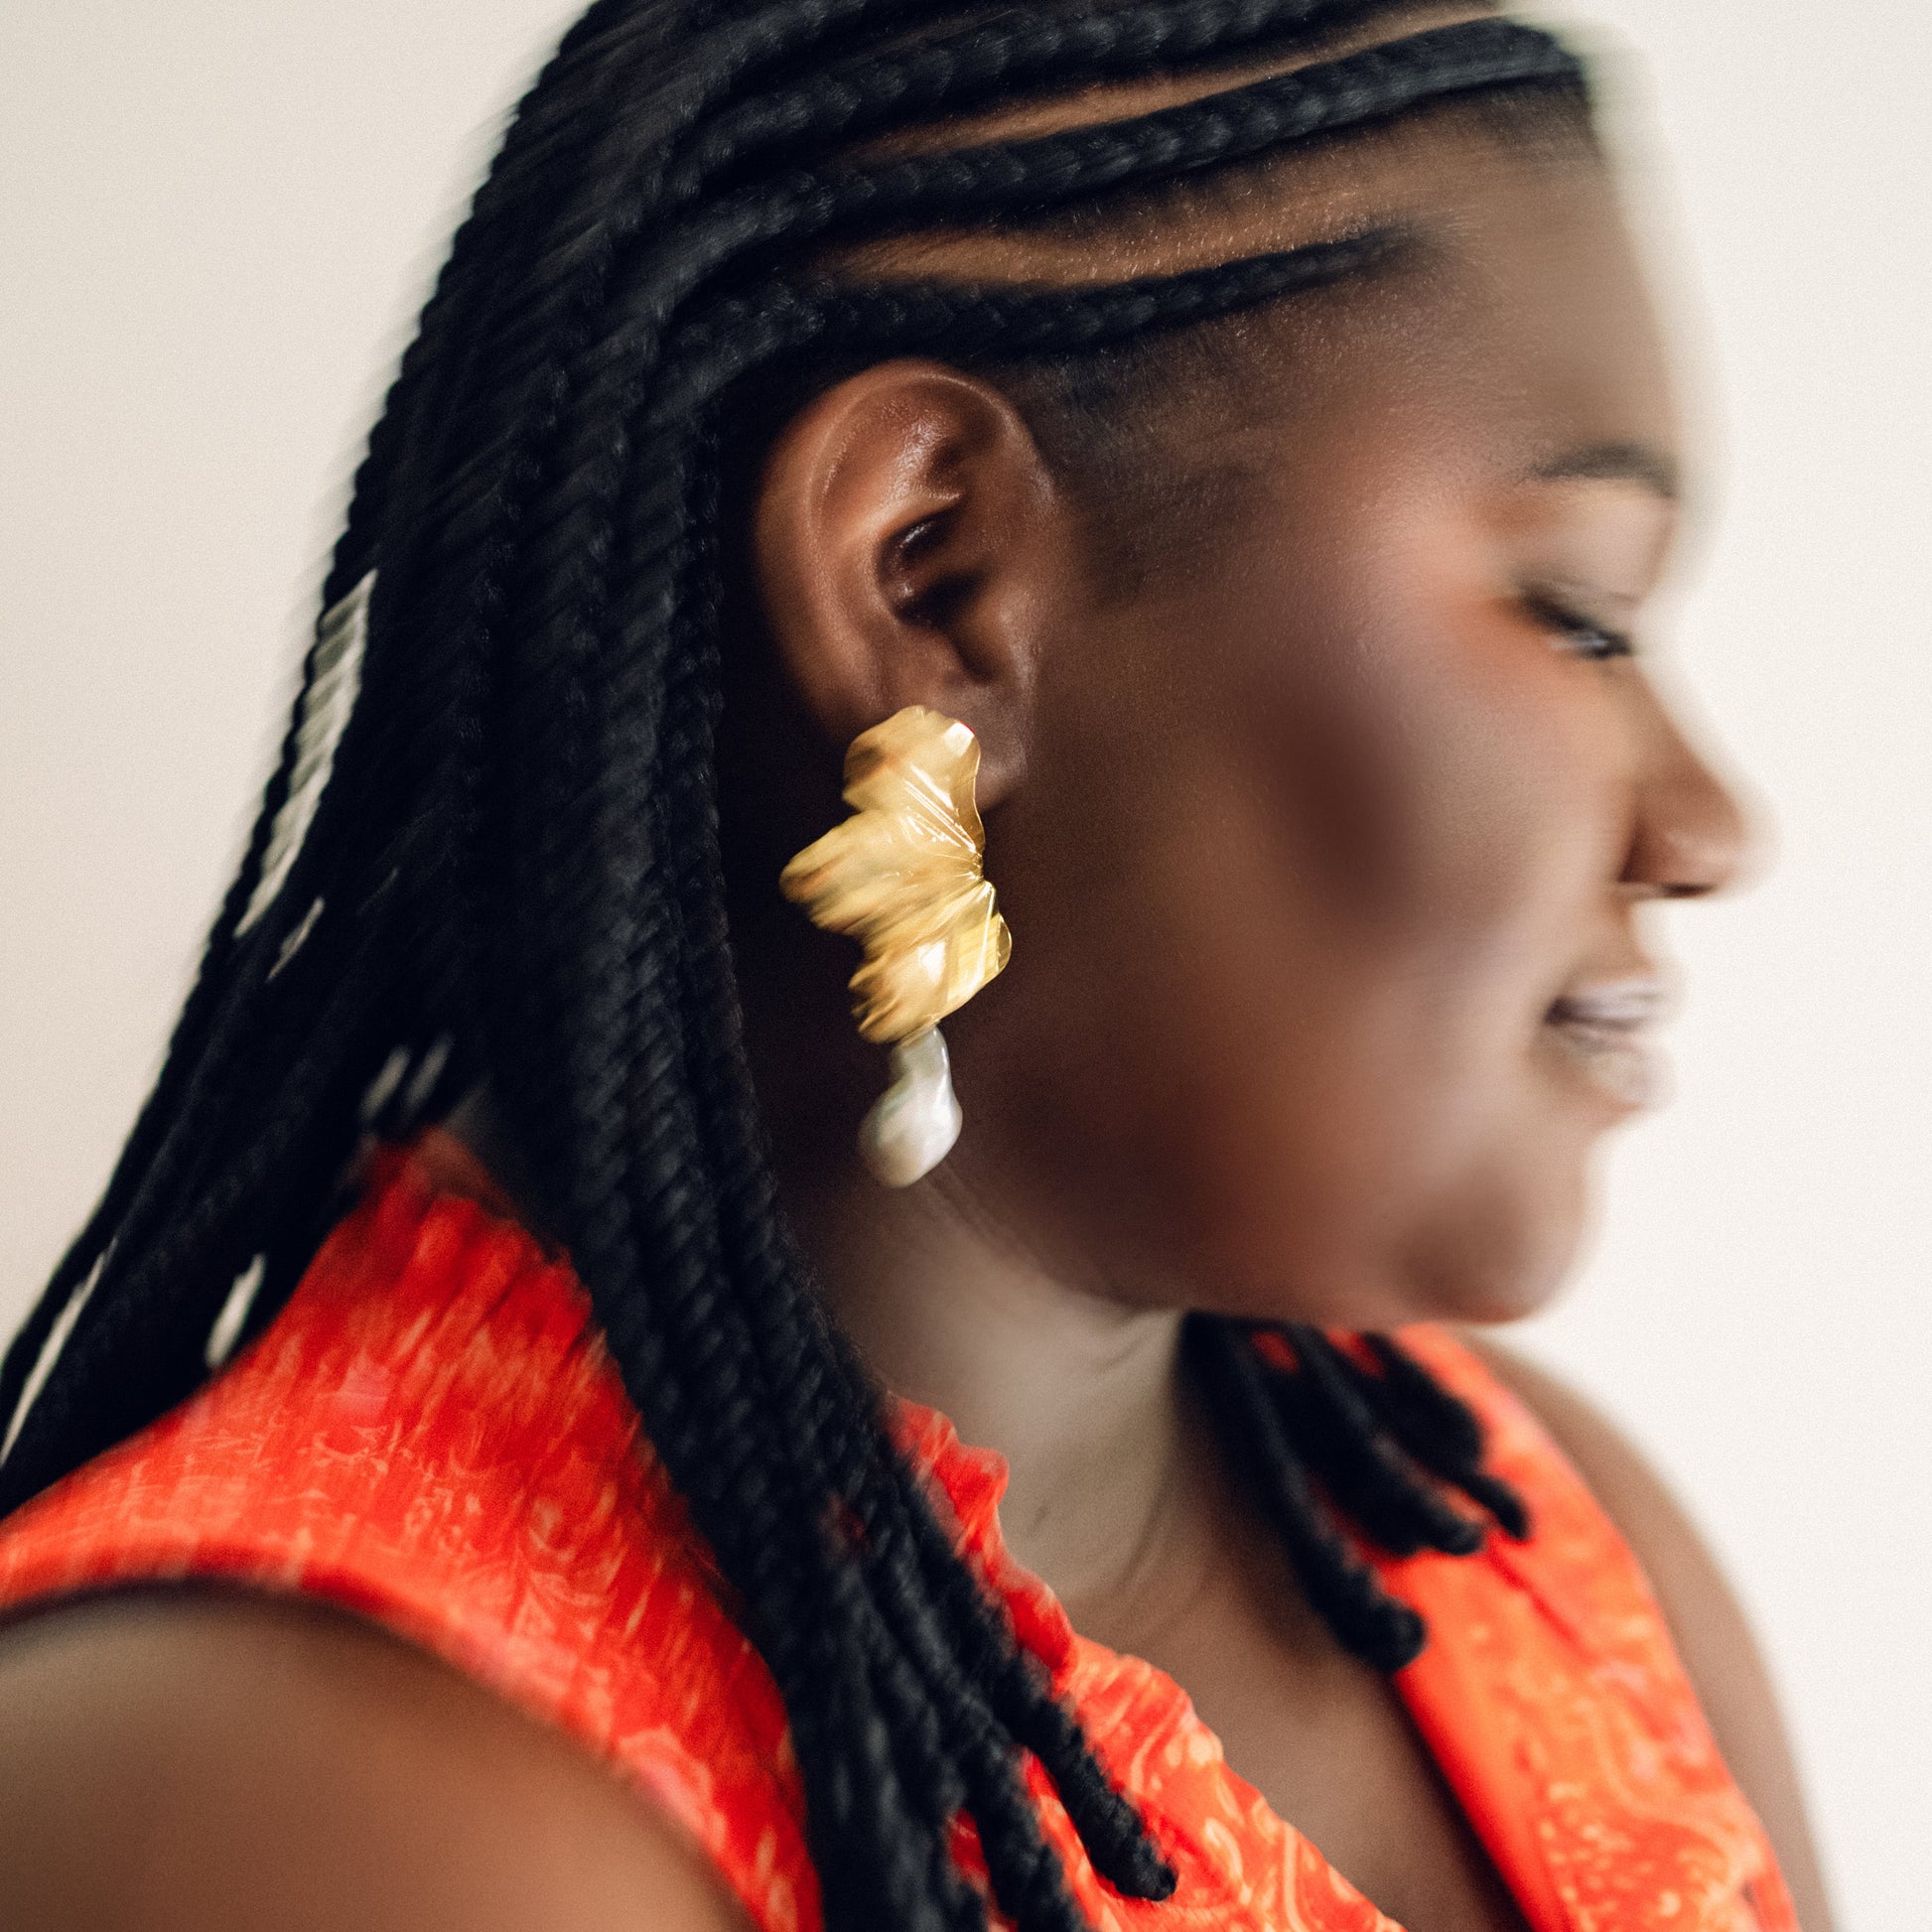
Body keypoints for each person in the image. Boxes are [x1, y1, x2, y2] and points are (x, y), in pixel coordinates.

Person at [0, 2, 1836, 1928]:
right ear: (928, 573)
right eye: (1579, 611)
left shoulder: (1538, 1536)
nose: (1707, 822)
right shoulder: (317, 1815)